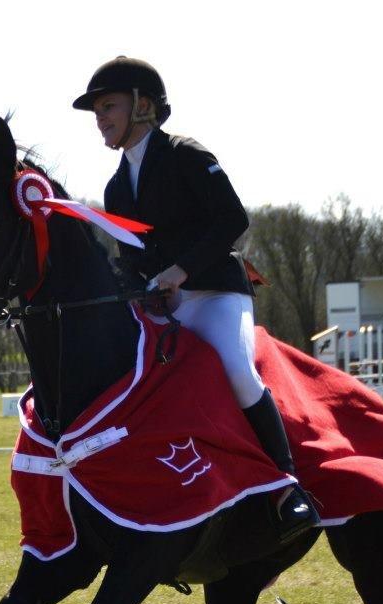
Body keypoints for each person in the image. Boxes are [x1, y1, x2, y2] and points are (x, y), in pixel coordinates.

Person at [73, 56, 320, 543]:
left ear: (143, 105)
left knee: (236, 369)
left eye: (108, 106)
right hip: (165, 306)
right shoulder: (116, 187)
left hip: (215, 293)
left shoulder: (185, 154)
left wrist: (180, 270)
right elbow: (131, 258)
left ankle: (287, 486)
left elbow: (233, 219)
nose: (100, 118)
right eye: (97, 111)